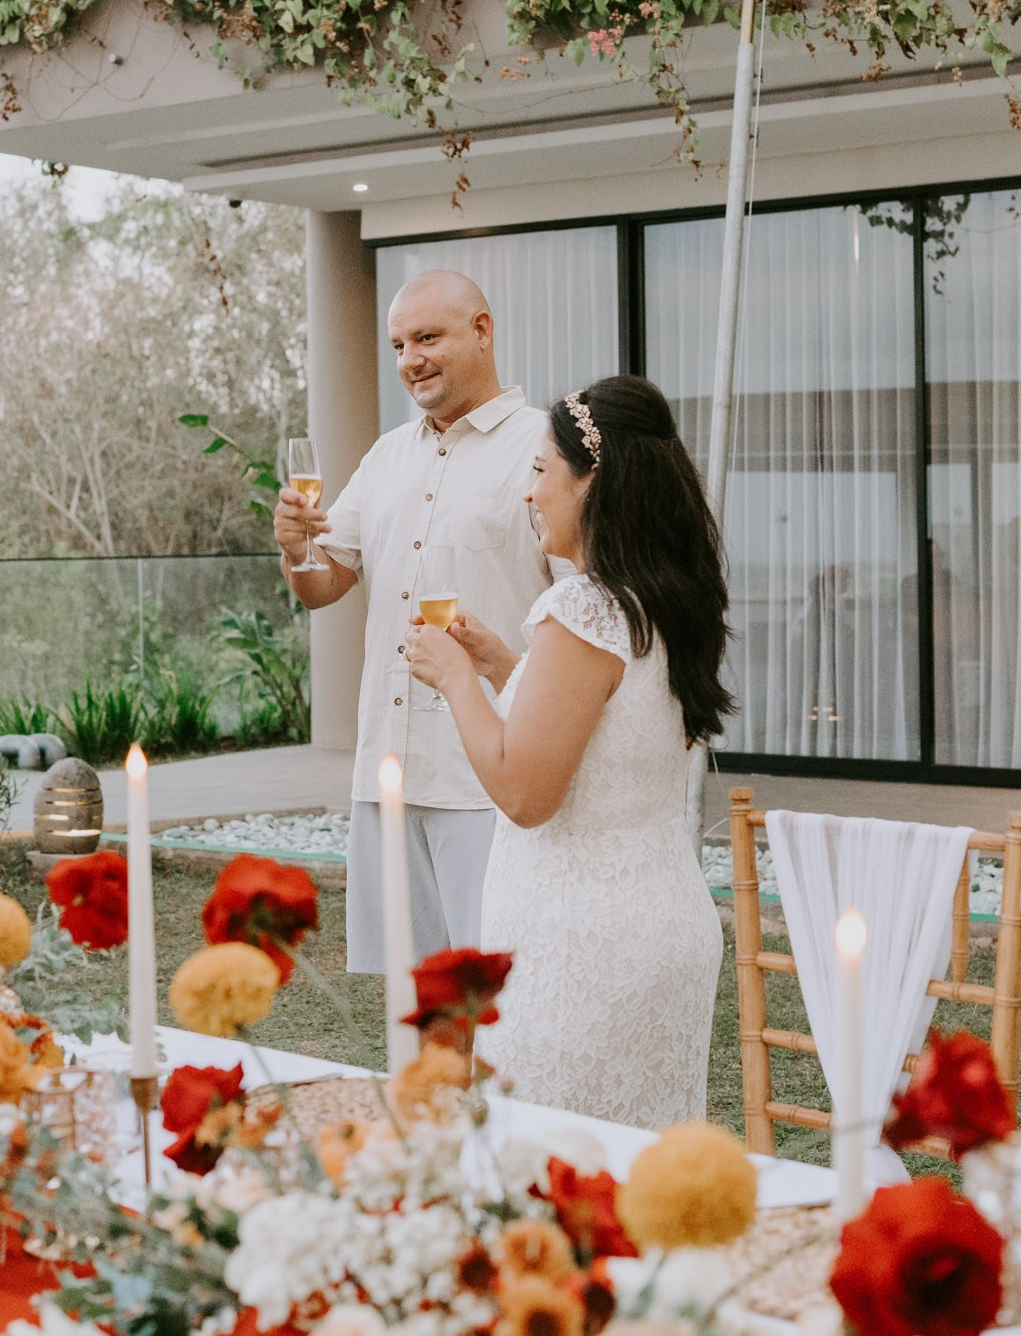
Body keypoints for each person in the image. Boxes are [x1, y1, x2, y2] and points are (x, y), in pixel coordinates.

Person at [406, 376, 731, 1127]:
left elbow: (525, 793)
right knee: (642, 1170)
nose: (529, 491)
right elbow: (615, 731)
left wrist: (455, 679)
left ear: (590, 483)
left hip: (581, 950)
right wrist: (506, 669)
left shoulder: (582, 606)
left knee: (557, 1164)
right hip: (663, 926)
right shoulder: (664, 597)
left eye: (540, 469)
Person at [276, 270, 558, 974]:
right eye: (399, 345)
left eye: (427, 338)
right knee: (413, 999)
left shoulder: (545, 448)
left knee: (501, 995)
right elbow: (323, 584)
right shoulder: (386, 454)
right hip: (388, 773)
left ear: (483, 331)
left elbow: (579, 608)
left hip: (488, 780)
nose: (410, 360)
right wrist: (294, 549)